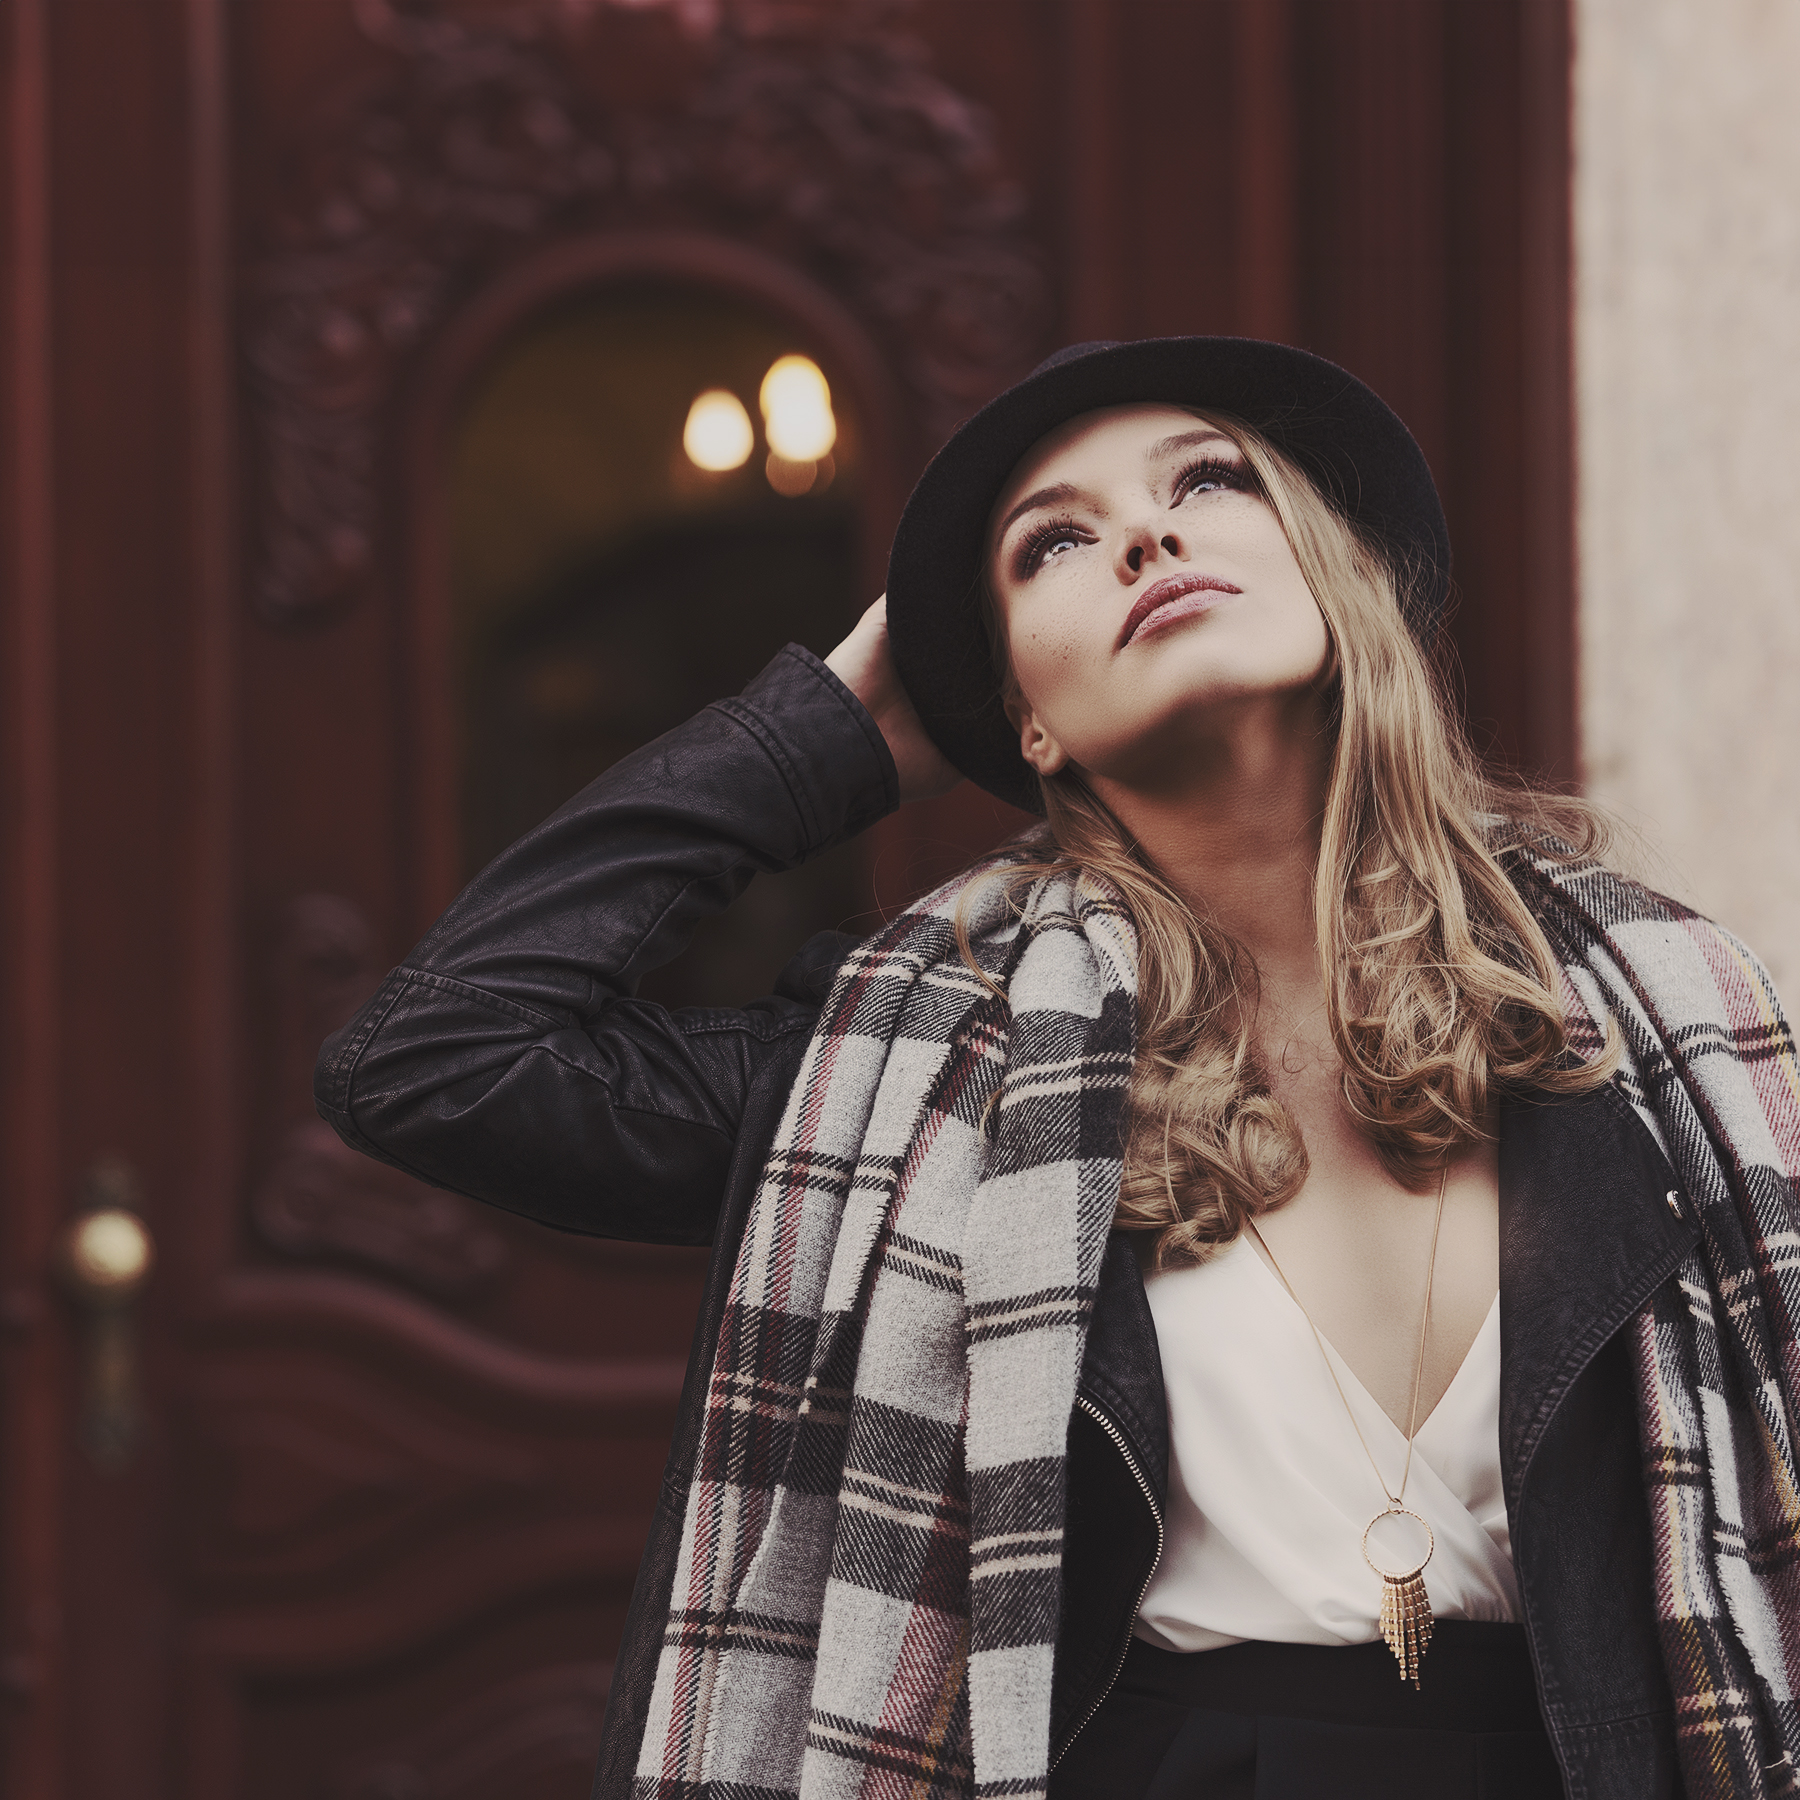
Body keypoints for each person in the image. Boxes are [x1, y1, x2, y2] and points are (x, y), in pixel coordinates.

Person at [316, 338, 1800, 1800]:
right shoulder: (928, 1074)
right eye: (1055, 546)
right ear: (1022, 713)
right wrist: (816, 741)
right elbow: (441, 1059)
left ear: (1338, 577)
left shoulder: (1657, 1014)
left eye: (1207, 481)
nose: (1146, 534)